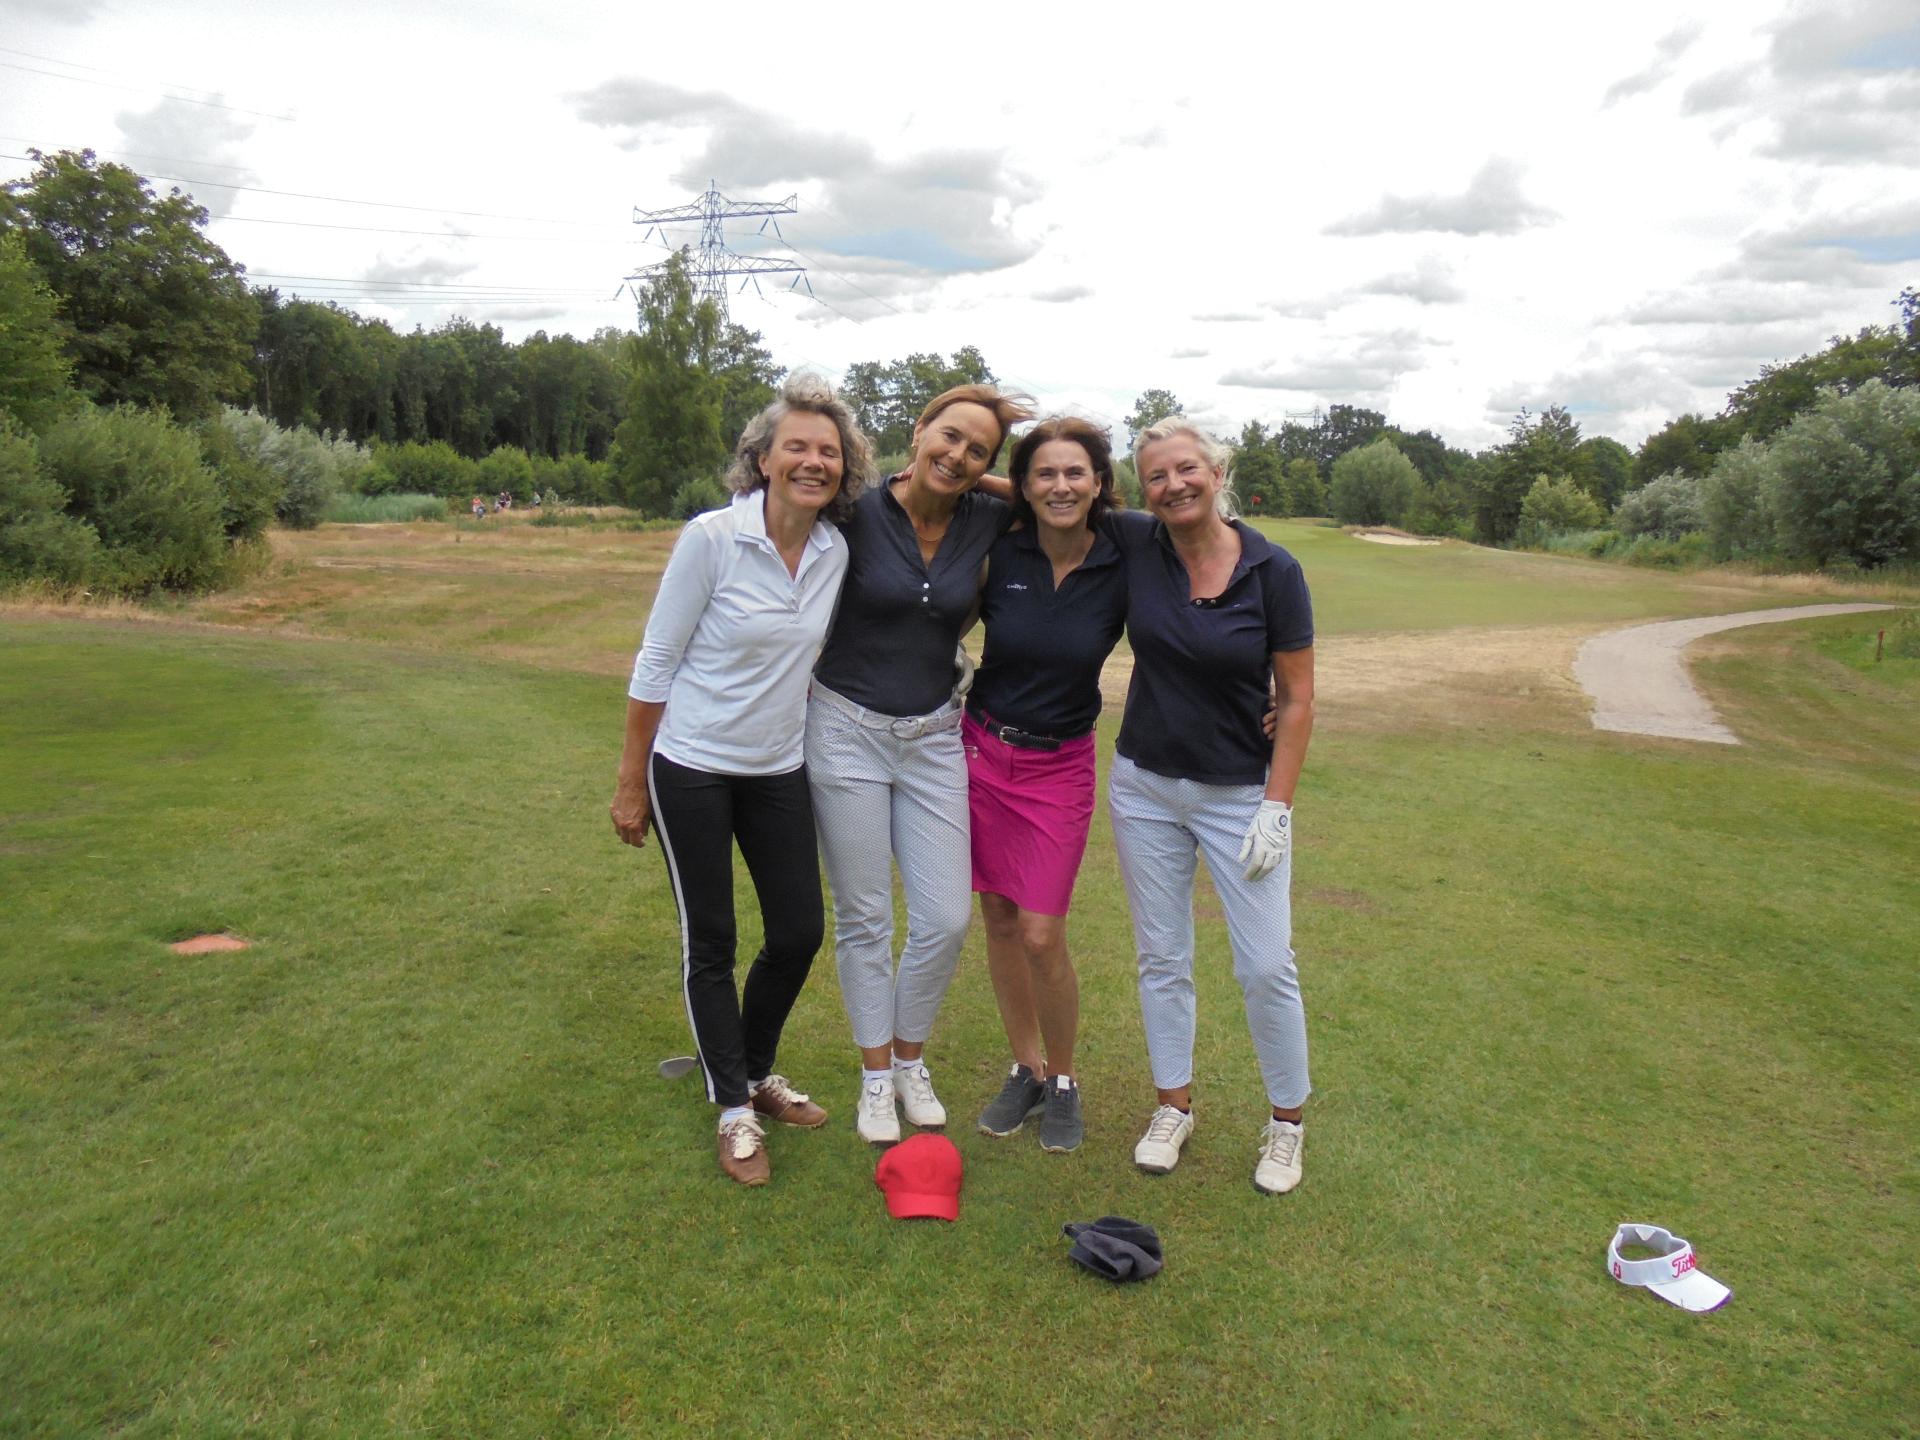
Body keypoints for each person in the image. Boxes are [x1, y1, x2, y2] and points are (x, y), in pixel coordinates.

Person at [609, 374, 872, 1186]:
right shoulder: (713, 539)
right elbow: (657, 658)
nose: (813, 461)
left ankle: (754, 1071)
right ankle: (732, 1108)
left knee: (798, 932)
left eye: (829, 451)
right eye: (796, 446)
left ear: (845, 468)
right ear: (762, 459)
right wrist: (631, 780)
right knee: (713, 941)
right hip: (690, 766)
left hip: (777, 768)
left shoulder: (834, 551)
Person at [806, 383, 1035, 1145]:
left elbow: (1055, 495)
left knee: (944, 918)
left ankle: (910, 1059)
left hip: (935, 736)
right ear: (919, 429)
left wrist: (981, 475)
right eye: (948, 436)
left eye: (978, 450)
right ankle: (877, 1075)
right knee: (866, 917)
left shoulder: (987, 518)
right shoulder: (855, 507)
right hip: (844, 729)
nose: (958, 455)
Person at [1105, 417, 1316, 1195]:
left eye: (1186, 469)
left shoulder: (1273, 569)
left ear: (1217, 472)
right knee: (1162, 958)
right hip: (1145, 788)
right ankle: (1173, 1108)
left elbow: (1297, 698)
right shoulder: (1140, 543)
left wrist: (1276, 807)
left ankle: (1286, 1124)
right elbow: (1049, 491)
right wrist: (944, 474)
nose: (1174, 486)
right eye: (1156, 476)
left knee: (1265, 964)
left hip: (1238, 797)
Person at [966, 417, 1128, 1154]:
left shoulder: (1128, 553)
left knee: (1041, 931)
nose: (1060, 486)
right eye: (1044, 474)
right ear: (1023, 486)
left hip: (1060, 767)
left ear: (1099, 483)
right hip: (980, 753)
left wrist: (1267, 690)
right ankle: (1026, 1068)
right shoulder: (1002, 550)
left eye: (1075, 473)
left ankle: (1063, 1077)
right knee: (1000, 920)